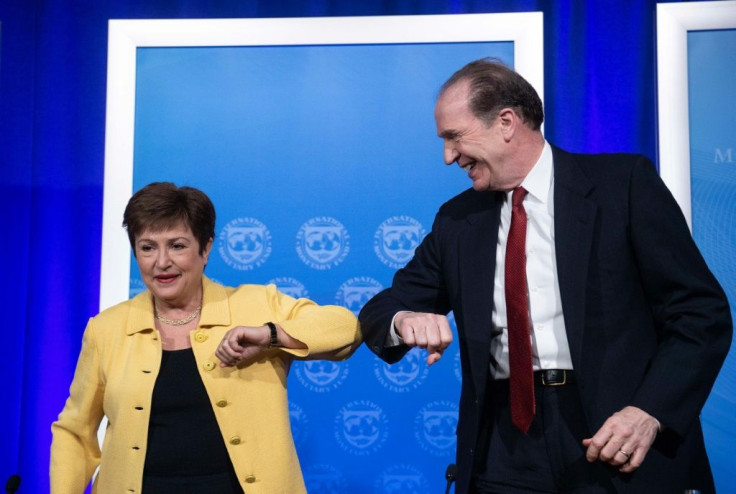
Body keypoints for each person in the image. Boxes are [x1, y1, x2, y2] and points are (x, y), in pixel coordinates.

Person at [359, 58, 732, 493]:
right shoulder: (459, 221)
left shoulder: (622, 186)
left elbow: (700, 314)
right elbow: (381, 309)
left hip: (614, 436)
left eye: (454, 137)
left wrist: (648, 412)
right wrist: (404, 319)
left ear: (506, 122)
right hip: (504, 446)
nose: (448, 157)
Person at [50, 182, 361, 493]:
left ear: (206, 247)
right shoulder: (107, 328)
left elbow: (347, 328)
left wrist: (269, 335)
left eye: (177, 245)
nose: (161, 262)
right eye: (147, 247)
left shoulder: (256, 305)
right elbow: (76, 432)